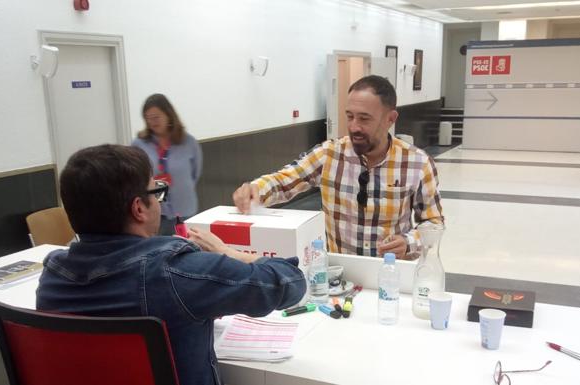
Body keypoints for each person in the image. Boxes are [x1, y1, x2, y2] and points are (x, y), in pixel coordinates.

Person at [36, 144, 306, 385]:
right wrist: (226, 252)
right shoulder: (176, 273)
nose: (159, 203)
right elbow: (289, 282)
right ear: (139, 208)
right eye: (157, 192)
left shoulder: (52, 279)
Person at [233, 75, 444, 259]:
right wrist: (256, 189)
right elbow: (284, 181)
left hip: (391, 273)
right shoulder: (329, 154)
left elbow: (434, 222)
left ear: (391, 119)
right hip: (340, 272)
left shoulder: (418, 163)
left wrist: (409, 242)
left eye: (364, 119)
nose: (354, 127)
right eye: (350, 116)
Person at [132, 93, 203, 235]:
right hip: (154, 212)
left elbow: (195, 173)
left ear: (169, 115)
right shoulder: (139, 144)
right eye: (148, 118)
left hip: (185, 209)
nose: (153, 122)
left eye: (156, 117)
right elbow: (135, 175)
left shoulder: (188, 142)